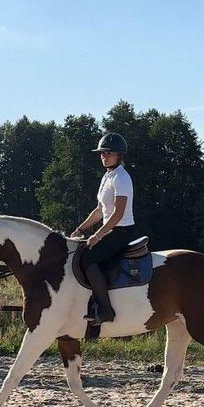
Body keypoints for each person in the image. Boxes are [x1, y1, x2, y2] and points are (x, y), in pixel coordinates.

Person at [71, 132, 139, 324]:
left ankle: (106, 310)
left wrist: (98, 235)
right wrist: (81, 230)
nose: (104, 156)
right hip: (110, 229)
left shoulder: (122, 178)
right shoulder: (107, 177)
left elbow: (118, 214)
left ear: (119, 155)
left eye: (109, 153)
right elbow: (100, 210)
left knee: (88, 261)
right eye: (102, 153)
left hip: (122, 231)